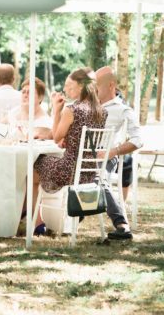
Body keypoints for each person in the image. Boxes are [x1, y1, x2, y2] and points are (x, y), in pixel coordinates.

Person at [31, 68, 107, 235]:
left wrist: (56, 110)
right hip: (89, 172)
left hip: (68, 170)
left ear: (81, 86)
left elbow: (56, 138)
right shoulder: (101, 111)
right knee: (43, 164)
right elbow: (80, 138)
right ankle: (50, 220)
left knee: (32, 169)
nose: (65, 90)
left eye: (69, 86)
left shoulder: (71, 109)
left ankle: (37, 223)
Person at [95, 66, 142, 239]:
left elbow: (138, 140)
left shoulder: (123, 110)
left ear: (110, 85)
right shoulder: (87, 105)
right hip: (80, 157)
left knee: (98, 177)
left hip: (105, 158)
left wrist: (114, 151)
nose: (93, 89)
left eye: (97, 85)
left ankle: (121, 224)